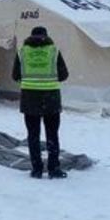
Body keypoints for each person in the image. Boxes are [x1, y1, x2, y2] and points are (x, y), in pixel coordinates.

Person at [12, 26, 70, 179]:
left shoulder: (22, 52)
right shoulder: (53, 51)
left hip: (29, 99)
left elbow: (15, 75)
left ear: (30, 36)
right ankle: (53, 169)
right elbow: (64, 75)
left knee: (33, 136)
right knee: (52, 135)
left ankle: (37, 169)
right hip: (51, 98)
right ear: (46, 35)